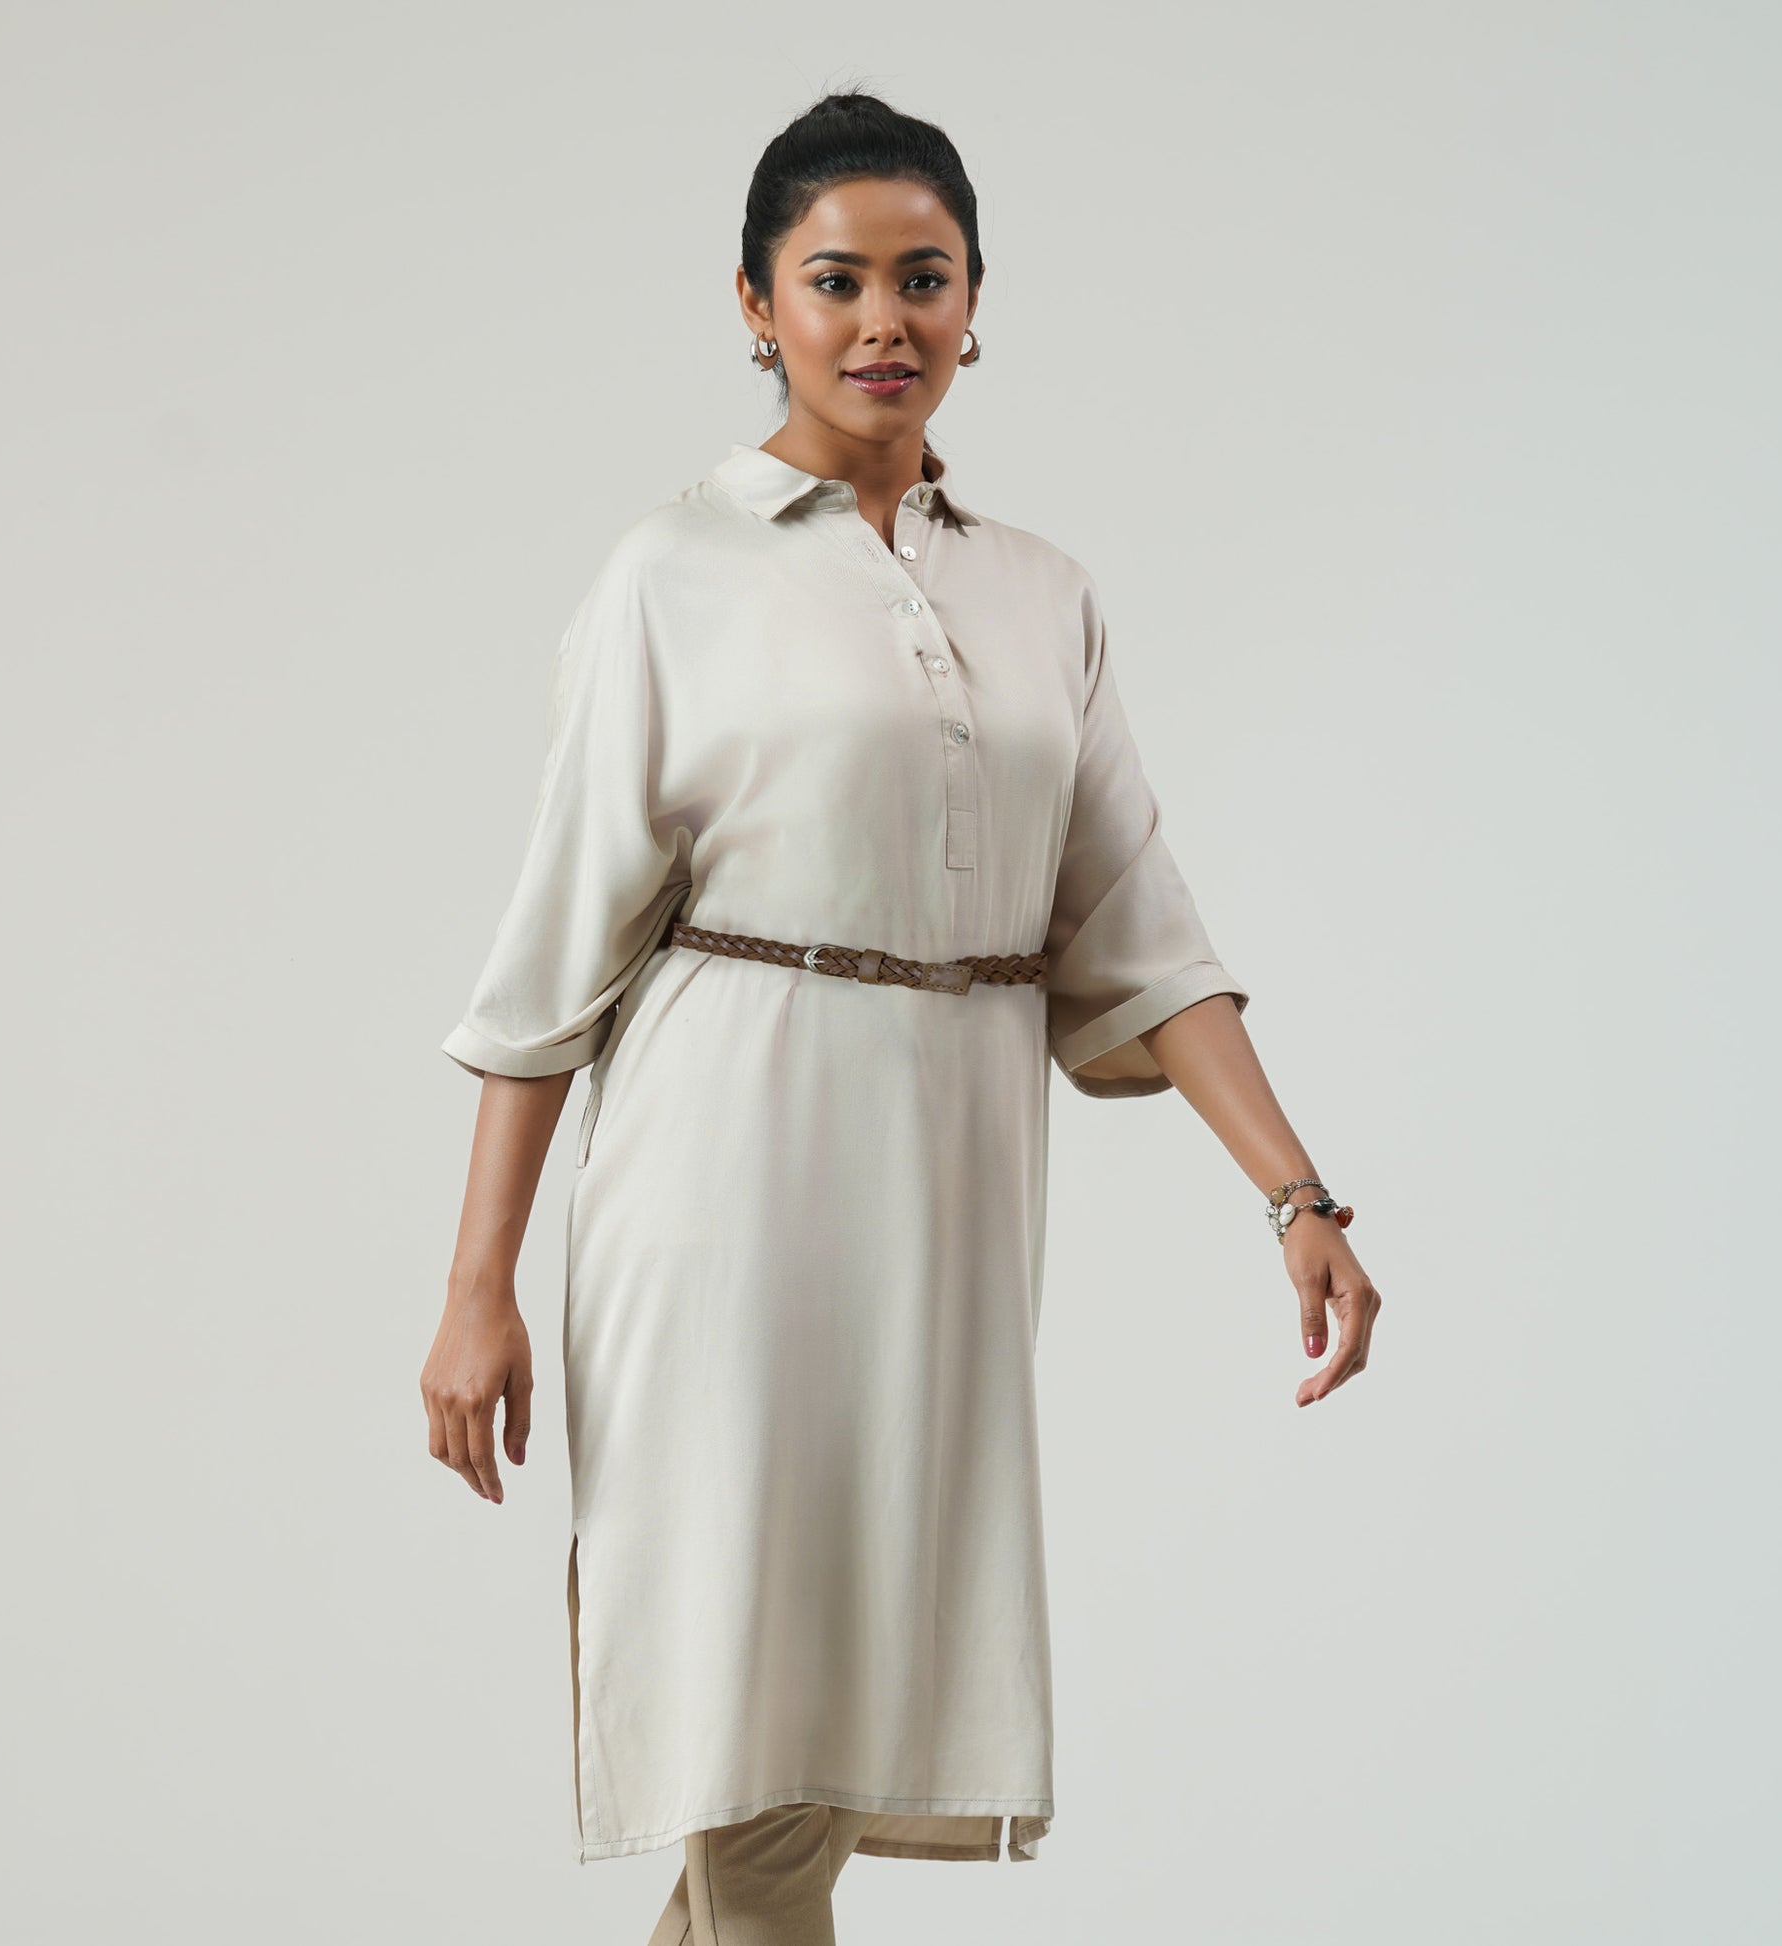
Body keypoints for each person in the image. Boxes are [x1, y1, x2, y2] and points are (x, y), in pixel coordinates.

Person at [422, 87, 1383, 1946]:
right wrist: (478, 1288)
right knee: (747, 1725)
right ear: (754, 303)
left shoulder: (1039, 594)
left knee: (831, 1739)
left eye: (922, 279)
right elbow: (547, 961)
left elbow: (1141, 926)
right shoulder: (670, 573)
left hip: (943, 1196)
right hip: (722, 1175)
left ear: (974, 302)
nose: (884, 321)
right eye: (837, 279)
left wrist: (1297, 1197)